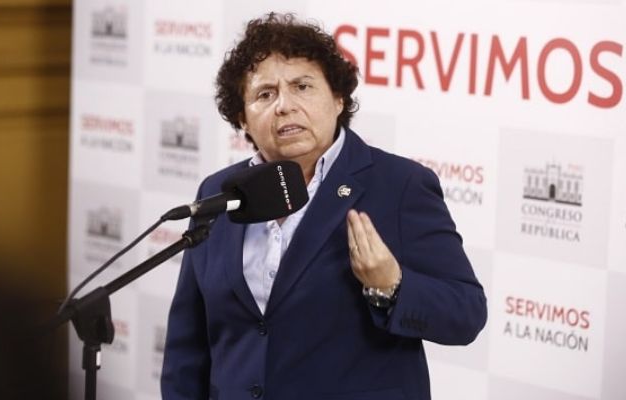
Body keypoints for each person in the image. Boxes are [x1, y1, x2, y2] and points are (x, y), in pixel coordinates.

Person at [161, 12, 487, 400]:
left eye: (302, 86)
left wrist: (392, 286)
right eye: (265, 94)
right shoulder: (218, 191)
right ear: (242, 119)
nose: (284, 106)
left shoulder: (399, 186)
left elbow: (466, 313)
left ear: (338, 99)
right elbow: (187, 345)